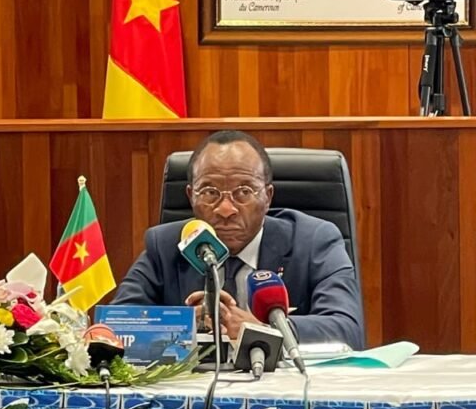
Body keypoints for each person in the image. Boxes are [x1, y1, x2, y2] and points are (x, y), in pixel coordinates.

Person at [113, 130, 364, 349]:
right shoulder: (166, 245)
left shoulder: (313, 241)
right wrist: (183, 326)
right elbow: (116, 325)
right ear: (191, 196)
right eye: (210, 192)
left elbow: (347, 329)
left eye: (243, 192)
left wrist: (264, 329)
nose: (226, 209)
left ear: (268, 197)